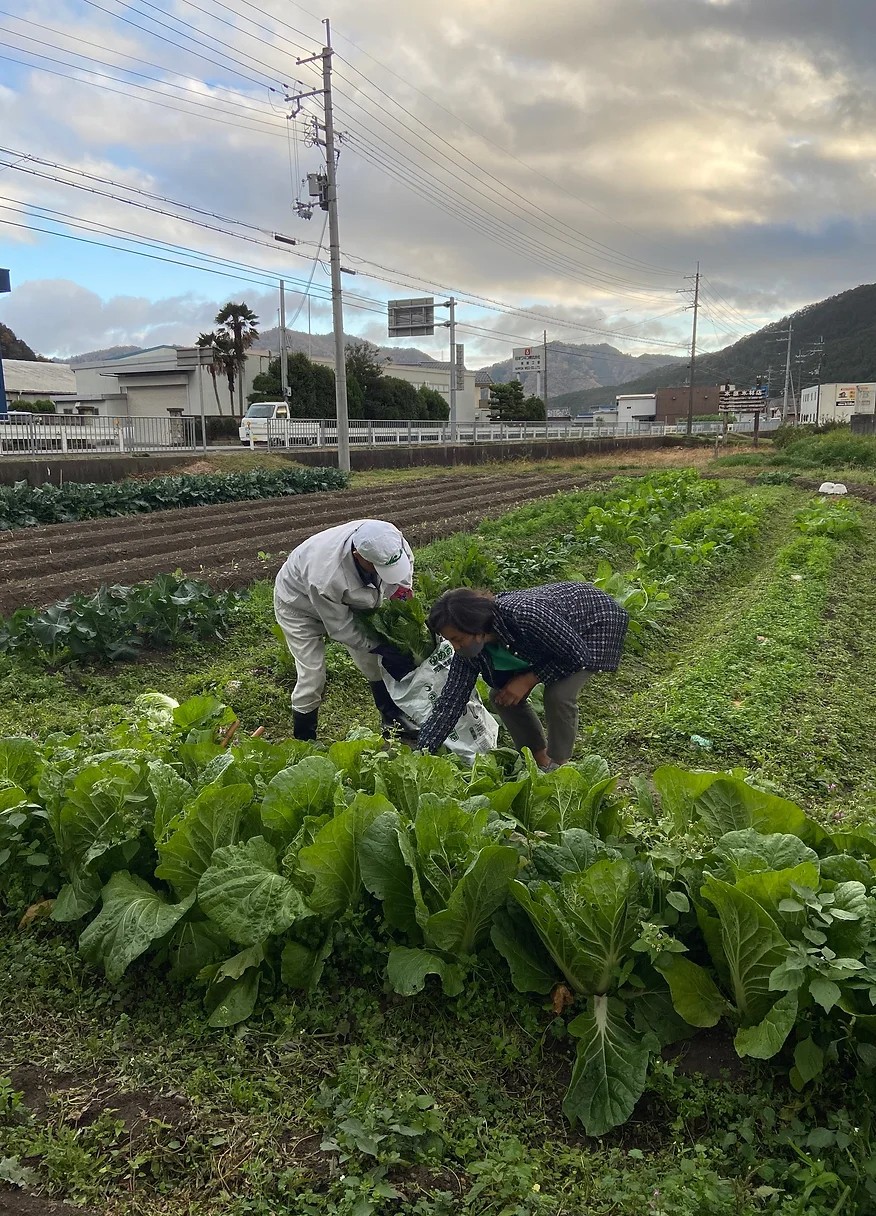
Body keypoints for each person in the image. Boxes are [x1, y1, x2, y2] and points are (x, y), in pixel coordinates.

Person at [417, 583, 629, 769]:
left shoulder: (523, 616)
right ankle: (539, 760)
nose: (455, 646)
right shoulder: (469, 653)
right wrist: (421, 752)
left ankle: (559, 767)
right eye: (449, 640)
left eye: (457, 638)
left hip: (591, 624)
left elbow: (576, 656)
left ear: (475, 627)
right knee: (502, 696)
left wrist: (529, 678)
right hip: (550, 643)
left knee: (559, 694)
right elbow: (450, 703)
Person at [274, 519, 417, 740]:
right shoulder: (326, 577)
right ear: (358, 555)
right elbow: (341, 627)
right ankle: (304, 740)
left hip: (350, 599)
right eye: (377, 568)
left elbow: (401, 582)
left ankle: (393, 721)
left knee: (373, 663)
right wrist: (381, 646)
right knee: (312, 675)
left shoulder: (391, 541)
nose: (382, 572)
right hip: (299, 605)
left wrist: (403, 604)